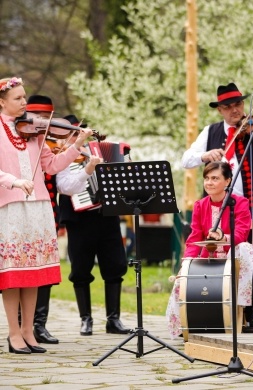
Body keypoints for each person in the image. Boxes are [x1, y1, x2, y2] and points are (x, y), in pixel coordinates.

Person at [0, 77, 91, 354]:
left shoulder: (34, 131)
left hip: (39, 206)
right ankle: (14, 333)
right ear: (2, 102)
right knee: (14, 272)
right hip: (10, 207)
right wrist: (14, 181)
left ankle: (29, 331)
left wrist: (77, 146)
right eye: (18, 98)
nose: (24, 103)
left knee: (34, 273)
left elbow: (51, 167)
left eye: (24, 97)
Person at [182, 82, 253, 329]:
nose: (235, 110)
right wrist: (204, 156)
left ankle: (252, 312)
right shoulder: (210, 131)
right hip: (218, 208)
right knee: (217, 258)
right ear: (220, 110)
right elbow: (186, 160)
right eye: (228, 107)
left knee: (252, 258)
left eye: (238, 104)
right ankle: (219, 308)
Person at [56, 115, 131, 336]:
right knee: (80, 268)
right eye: (74, 133)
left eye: (80, 131)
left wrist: (123, 162)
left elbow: (119, 180)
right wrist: (88, 168)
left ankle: (113, 320)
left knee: (115, 265)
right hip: (79, 220)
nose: (78, 136)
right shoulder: (61, 157)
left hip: (106, 215)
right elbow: (66, 187)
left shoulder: (97, 150)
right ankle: (86, 319)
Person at [166, 161, 253, 338]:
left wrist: (223, 238)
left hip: (232, 259)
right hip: (207, 260)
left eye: (215, 178)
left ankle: (241, 304)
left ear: (227, 181)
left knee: (246, 248)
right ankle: (180, 329)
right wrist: (185, 265)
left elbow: (242, 233)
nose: (209, 182)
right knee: (180, 281)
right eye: (206, 178)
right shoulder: (200, 205)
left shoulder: (240, 203)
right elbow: (194, 239)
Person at [24, 95, 61, 344]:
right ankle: (20, 325)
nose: (43, 122)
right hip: (19, 210)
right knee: (21, 268)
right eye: (38, 116)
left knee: (44, 268)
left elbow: (56, 170)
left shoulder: (47, 144)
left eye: (47, 117)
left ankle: (40, 324)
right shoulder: (18, 139)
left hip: (47, 211)